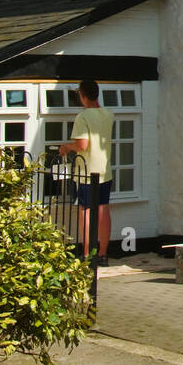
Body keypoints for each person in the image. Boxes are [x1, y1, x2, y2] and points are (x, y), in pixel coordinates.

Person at [58, 79, 115, 265]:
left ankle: (86, 254)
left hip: (87, 172)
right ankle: (103, 254)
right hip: (105, 170)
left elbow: (82, 145)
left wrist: (66, 147)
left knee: (86, 212)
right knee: (103, 210)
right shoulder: (108, 114)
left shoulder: (82, 117)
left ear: (83, 95)